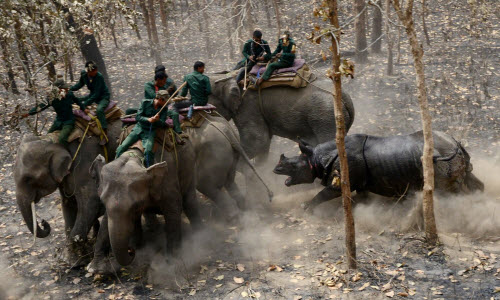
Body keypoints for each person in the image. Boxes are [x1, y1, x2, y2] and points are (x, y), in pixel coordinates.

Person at [115, 90, 176, 167]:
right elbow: (138, 117)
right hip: (139, 128)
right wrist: (148, 119)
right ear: (160, 99)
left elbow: (162, 123)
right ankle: (115, 163)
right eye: (166, 101)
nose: (167, 103)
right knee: (122, 147)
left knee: (148, 151)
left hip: (150, 132)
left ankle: (149, 169)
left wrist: (157, 120)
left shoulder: (164, 109)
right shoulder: (145, 103)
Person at [22, 78, 84, 147]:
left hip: (68, 121)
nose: (66, 89)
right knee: (48, 137)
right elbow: (41, 107)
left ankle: (67, 153)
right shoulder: (51, 98)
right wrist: (29, 113)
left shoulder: (69, 95)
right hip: (58, 121)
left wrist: (83, 109)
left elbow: (77, 101)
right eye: (64, 88)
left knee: (62, 139)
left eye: (66, 88)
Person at [70, 61, 111, 139]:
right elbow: (80, 84)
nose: (95, 72)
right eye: (93, 71)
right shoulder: (84, 74)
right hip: (92, 95)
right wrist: (70, 89)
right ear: (88, 71)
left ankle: (104, 130)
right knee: (77, 100)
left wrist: (85, 104)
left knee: (99, 110)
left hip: (103, 96)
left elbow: (96, 94)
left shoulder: (99, 77)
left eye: (95, 70)